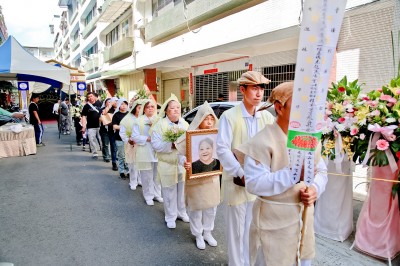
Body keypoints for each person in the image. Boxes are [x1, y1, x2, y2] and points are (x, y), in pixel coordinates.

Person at [237, 81, 328, 266]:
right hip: (273, 221)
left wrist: (314, 189)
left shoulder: (307, 137)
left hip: (303, 218)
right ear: (279, 108)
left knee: (303, 259)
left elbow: (321, 170)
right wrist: (293, 174)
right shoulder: (262, 140)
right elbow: (254, 183)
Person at [216, 71, 274, 266]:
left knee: (254, 230)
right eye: (254, 88)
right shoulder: (229, 116)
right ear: (242, 90)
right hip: (237, 182)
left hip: (259, 183)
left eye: (261, 88)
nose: (259, 93)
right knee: (237, 231)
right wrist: (240, 173)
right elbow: (222, 148)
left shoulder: (266, 117)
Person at [175, 101, 221, 250]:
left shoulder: (218, 135)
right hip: (195, 178)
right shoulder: (189, 135)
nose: (209, 122)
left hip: (212, 177)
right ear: (199, 120)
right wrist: (184, 162)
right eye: (205, 119)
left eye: (211, 119)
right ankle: (198, 234)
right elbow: (179, 154)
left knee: (211, 207)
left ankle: (208, 232)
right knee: (196, 208)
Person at [151, 94, 190, 229]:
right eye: (172, 108)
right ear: (166, 111)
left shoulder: (185, 124)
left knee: (182, 190)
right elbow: (156, 145)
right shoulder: (159, 125)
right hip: (167, 163)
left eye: (178, 107)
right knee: (169, 191)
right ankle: (170, 216)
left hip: (182, 163)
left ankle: (181, 212)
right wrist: (171, 145)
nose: (176, 110)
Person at [132, 99, 163, 205]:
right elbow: (135, 136)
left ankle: (157, 194)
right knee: (147, 174)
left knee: (157, 174)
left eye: (152, 107)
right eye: (148, 107)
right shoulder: (139, 121)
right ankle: (148, 195)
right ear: (144, 109)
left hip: (157, 150)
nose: (150, 109)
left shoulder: (159, 120)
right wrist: (147, 139)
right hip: (145, 149)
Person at [120, 99, 143, 190]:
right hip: (131, 144)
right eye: (139, 108)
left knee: (142, 163)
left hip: (142, 144)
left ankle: (141, 180)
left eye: (142, 108)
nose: (140, 110)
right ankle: (133, 181)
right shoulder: (127, 119)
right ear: (134, 108)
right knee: (133, 164)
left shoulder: (144, 118)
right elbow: (122, 133)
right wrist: (128, 140)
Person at [112, 98, 129, 179]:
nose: (124, 106)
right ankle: (122, 171)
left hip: (129, 138)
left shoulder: (130, 114)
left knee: (129, 155)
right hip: (119, 138)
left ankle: (129, 171)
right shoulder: (116, 115)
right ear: (119, 105)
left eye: (125, 104)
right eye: (122, 104)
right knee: (121, 155)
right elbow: (114, 126)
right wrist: (124, 128)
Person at [81, 92, 102, 158]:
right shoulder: (86, 106)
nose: (90, 98)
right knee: (91, 140)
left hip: (100, 126)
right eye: (88, 97)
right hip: (90, 126)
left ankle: (105, 152)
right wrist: (84, 126)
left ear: (95, 96)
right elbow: (83, 116)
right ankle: (95, 153)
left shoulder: (100, 104)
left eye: (91, 96)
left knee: (102, 139)